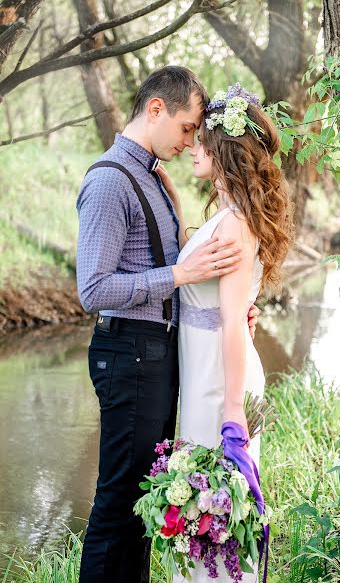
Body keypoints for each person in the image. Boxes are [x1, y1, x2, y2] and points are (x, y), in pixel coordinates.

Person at [76, 67, 259, 583]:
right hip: (129, 352)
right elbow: (92, 290)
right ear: (155, 109)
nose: (190, 140)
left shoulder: (154, 177)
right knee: (118, 503)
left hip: (155, 357)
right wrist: (181, 274)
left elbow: (184, 272)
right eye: (186, 128)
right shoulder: (112, 180)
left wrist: (230, 303)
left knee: (141, 503)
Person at [156, 84, 293, 582]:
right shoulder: (227, 215)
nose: (193, 145)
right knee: (203, 521)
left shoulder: (235, 226)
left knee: (215, 522)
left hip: (220, 386)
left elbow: (233, 319)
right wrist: (171, 195)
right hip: (205, 375)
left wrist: (233, 414)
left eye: (203, 139)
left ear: (225, 150)